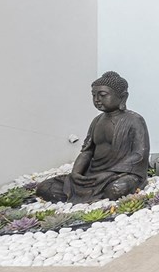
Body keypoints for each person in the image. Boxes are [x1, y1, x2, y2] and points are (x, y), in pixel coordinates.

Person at [36, 71, 150, 203]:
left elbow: (139, 154)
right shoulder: (97, 121)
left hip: (120, 174)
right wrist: (76, 173)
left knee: (117, 189)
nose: (97, 100)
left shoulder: (134, 120)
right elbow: (87, 151)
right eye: (94, 95)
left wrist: (110, 173)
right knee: (45, 188)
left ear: (122, 97)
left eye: (102, 95)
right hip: (92, 175)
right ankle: (88, 196)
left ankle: (89, 197)